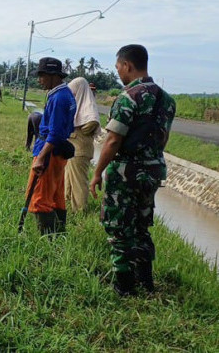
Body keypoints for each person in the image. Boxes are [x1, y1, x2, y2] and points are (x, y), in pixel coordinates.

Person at [90, 45, 175, 296]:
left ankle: (124, 286)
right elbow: (164, 138)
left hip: (127, 171)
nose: (118, 73)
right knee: (141, 224)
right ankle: (146, 282)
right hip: (153, 170)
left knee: (119, 226)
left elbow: (113, 140)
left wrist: (98, 173)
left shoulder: (128, 97)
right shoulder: (167, 99)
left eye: (118, 68)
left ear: (127, 65)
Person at [23, 57, 76, 235]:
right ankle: (60, 235)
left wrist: (42, 158)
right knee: (55, 196)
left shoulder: (59, 98)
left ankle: (49, 242)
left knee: (38, 198)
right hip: (58, 151)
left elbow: (55, 133)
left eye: (42, 76)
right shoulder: (65, 93)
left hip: (50, 151)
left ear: (53, 75)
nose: (40, 80)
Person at [64, 77, 100, 212]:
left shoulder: (87, 106)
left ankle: (80, 210)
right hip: (74, 150)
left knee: (78, 182)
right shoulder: (80, 106)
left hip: (80, 149)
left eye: (73, 93)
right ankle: (68, 205)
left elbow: (92, 123)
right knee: (68, 179)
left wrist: (74, 129)